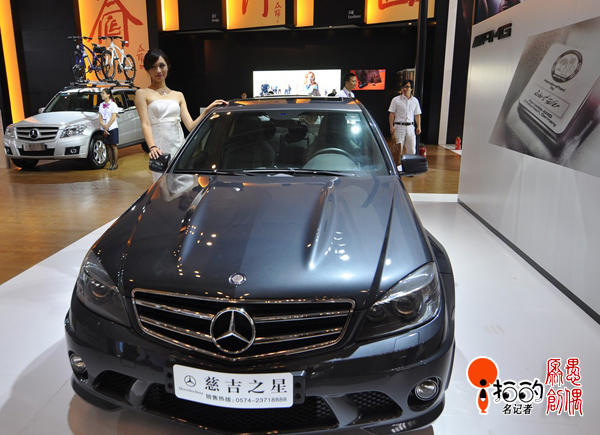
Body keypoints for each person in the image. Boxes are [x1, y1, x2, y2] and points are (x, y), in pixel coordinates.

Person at [135, 48, 227, 181]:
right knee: (163, 186)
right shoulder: (142, 94)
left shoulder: (178, 95)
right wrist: (152, 147)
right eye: (153, 67)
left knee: (185, 184)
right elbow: (145, 124)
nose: (158, 70)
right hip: (160, 150)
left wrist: (207, 110)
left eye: (162, 65)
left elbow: (190, 126)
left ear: (168, 66)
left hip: (179, 148)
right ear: (148, 70)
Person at [388, 79, 422, 164]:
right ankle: (398, 167)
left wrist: (419, 126)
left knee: (412, 149)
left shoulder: (415, 101)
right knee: (398, 149)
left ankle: (410, 166)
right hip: (399, 126)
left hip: (410, 127)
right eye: (403, 87)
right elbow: (391, 113)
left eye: (407, 87)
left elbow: (417, 114)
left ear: (412, 88)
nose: (405, 89)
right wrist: (391, 126)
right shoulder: (396, 100)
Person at [98, 88, 120, 170]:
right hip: (104, 128)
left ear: (108, 95)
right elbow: (100, 117)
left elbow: (113, 117)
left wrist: (107, 126)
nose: (102, 95)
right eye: (101, 93)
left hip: (112, 127)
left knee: (113, 145)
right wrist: (104, 125)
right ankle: (110, 164)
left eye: (103, 93)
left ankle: (115, 164)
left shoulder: (113, 105)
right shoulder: (101, 105)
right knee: (107, 146)